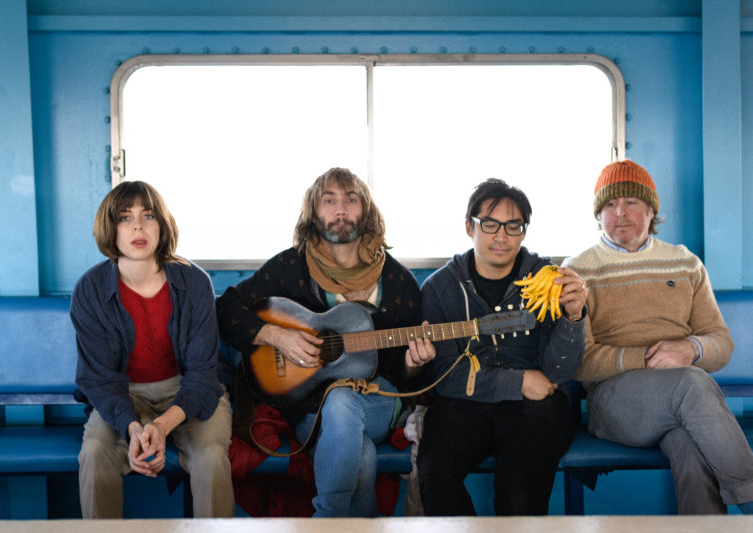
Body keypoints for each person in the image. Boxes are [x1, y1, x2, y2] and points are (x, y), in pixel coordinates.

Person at [215, 167, 434, 517]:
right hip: (308, 407)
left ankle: (325, 519)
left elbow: (407, 378)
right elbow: (226, 309)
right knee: (360, 459)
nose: (341, 209)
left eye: (351, 199)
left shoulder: (398, 281)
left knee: (343, 400)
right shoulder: (290, 267)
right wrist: (277, 335)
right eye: (329, 200)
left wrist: (413, 364)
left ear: (367, 212)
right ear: (314, 214)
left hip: (378, 402)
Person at [563, 159, 753, 514]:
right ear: (598, 214)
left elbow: (720, 343)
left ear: (651, 210)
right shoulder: (578, 271)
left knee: (691, 447)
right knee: (691, 384)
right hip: (615, 403)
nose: (620, 213)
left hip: (682, 403)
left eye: (631, 202)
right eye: (609, 204)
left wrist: (690, 349)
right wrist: (651, 359)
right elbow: (579, 362)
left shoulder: (685, 263)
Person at [415, 178, 587, 516]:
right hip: (466, 402)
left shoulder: (547, 280)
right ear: (470, 227)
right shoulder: (439, 288)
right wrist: (517, 381)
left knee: (519, 490)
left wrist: (574, 315)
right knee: (434, 471)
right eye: (490, 224)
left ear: (524, 231)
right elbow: (444, 374)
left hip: (538, 405)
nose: (501, 236)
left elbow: (558, 372)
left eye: (514, 226)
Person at [71, 181, 234, 518]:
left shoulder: (195, 282)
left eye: (148, 216)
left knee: (211, 458)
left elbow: (204, 376)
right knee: (95, 452)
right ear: (110, 229)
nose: (138, 227)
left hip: (188, 389)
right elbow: (99, 380)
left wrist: (160, 426)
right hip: (123, 393)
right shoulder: (90, 289)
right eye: (124, 218)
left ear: (162, 224)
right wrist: (134, 428)